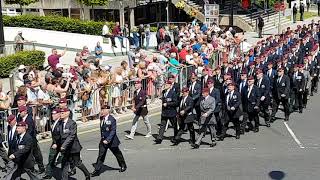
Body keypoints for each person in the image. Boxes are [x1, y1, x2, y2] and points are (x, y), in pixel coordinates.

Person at [91, 105, 127, 177]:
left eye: (104, 110)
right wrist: (103, 138)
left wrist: (108, 140)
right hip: (103, 140)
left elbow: (113, 131)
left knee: (117, 153)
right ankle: (97, 170)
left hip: (111, 141)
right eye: (102, 110)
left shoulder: (112, 119)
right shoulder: (102, 118)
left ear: (108, 111)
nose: (102, 111)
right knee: (101, 155)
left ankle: (123, 165)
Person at [59, 108, 90, 180]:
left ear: (67, 113)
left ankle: (87, 174)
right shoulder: (60, 123)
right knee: (65, 163)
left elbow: (71, 136)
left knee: (77, 163)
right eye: (60, 112)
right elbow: (59, 135)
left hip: (73, 147)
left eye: (62, 113)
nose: (61, 114)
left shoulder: (72, 123)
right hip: (65, 148)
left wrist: (63, 146)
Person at [17, 106, 45, 174]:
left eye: (21, 111)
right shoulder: (20, 118)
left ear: (25, 111)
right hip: (26, 140)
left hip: (32, 140)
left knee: (37, 155)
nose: (20, 113)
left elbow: (30, 130)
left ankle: (41, 168)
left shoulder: (29, 119)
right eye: (19, 111)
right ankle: (31, 169)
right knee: (29, 156)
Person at [155, 80, 178, 144]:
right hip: (164, 112)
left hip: (171, 112)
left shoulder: (173, 93)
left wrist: (168, 104)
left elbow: (176, 103)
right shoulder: (163, 92)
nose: (165, 86)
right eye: (165, 85)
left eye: (167, 85)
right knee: (162, 125)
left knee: (174, 125)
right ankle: (159, 138)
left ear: (170, 86)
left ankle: (176, 137)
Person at [42, 109, 62, 179]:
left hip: (60, 144)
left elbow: (62, 135)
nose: (52, 115)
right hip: (54, 144)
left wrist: (57, 143)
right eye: (52, 114)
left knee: (67, 159)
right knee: (51, 158)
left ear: (59, 114)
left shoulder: (61, 123)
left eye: (54, 114)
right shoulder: (54, 123)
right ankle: (48, 174)